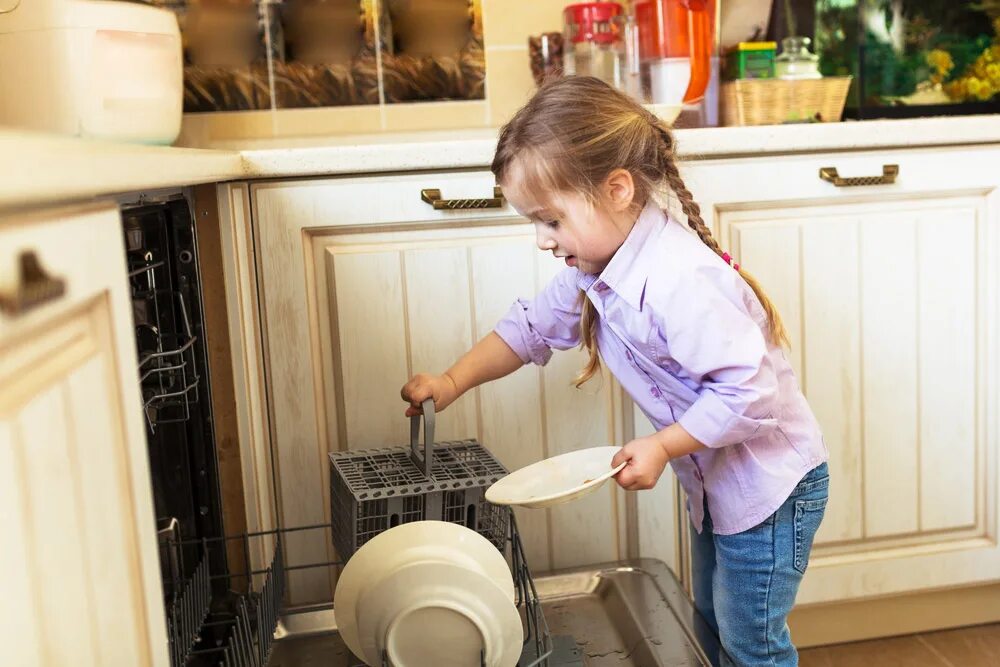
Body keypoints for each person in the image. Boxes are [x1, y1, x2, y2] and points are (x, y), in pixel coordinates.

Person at [399, 75, 829, 667]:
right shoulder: (595, 267)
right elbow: (528, 329)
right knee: (709, 615)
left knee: (750, 638)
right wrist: (451, 382)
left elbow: (750, 395)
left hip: (770, 488)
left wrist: (661, 446)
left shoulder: (679, 280)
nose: (542, 241)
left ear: (618, 189)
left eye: (550, 220)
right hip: (720, 483)